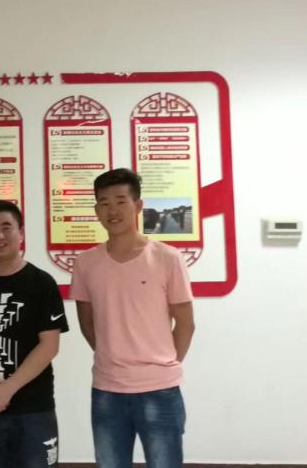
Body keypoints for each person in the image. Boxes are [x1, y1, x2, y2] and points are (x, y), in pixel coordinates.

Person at [72, 168, 195, 468]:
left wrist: (163, 363)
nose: (112, 210)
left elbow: (186, 323)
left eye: (120, 201)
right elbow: (87, 323)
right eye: (104, 203)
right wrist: (113, 355)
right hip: (107, 389)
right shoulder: (85, 263)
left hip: (160, 389)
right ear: (96, 211)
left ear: (138, 206)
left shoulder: (167, 258)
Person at [0, 200, 69, 468]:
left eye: (6, 227)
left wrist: (6, 389)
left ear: (20, 233)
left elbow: (49, 346)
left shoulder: (42, 283)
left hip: (34, 407)